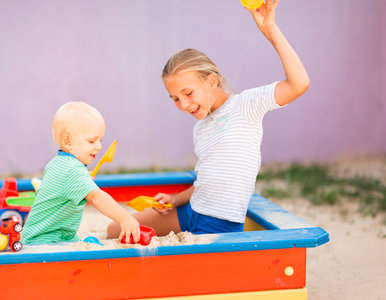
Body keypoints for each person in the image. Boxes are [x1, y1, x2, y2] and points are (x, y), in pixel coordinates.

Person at [107, 0, 309, 237]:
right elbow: (207, 179)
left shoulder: (245, 106)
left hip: (220, 222)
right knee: (115, 229)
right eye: (174, 98)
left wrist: (271, 31)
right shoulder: (200, 128)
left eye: (188, 93)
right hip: (190, 211)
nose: (183, 105)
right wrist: (176, 198)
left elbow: (299, 84)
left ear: (211, 81)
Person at [22, 102, 140, 244]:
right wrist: (125, 218)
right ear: (68, 141)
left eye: (100, 140)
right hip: (47, 240)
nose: (99, 146)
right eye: (91, 141)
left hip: (42, 236)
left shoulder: (56, 163)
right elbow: (96, 197)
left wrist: (83, 180)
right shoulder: (73, 171)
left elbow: (60, 189)